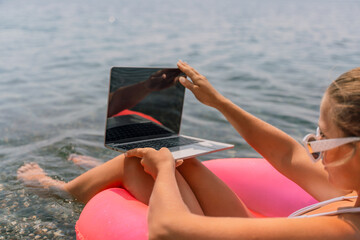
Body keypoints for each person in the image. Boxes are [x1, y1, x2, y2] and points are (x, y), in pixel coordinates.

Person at [17, 60, 360, 239]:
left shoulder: (343, 230)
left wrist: (164, 169)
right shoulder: (351, 193)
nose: (312, 149)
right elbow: (288, 155)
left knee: (142, 163)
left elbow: (170, 231)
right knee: (172, 161)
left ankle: (59, 190)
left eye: (323, 139)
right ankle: (106, 172)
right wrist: (219, 103)